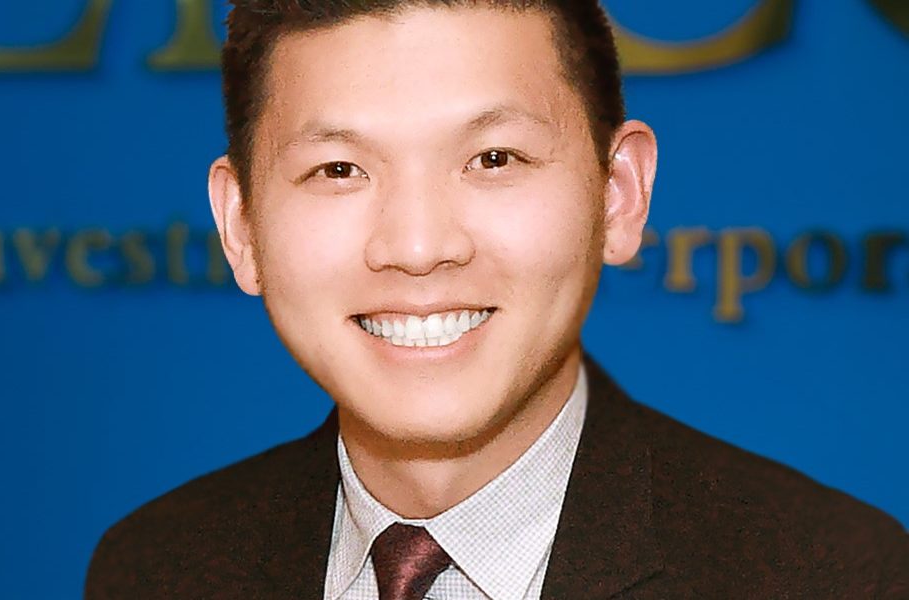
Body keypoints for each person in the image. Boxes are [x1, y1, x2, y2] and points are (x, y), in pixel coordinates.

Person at [85, 0, 908, 597]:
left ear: (618, 194)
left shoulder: (832, 576)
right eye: (339, 169)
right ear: (240, 226)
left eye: (493, 159)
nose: (417, 246)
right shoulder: (156, 568)